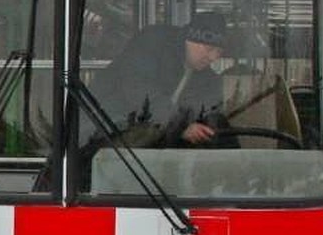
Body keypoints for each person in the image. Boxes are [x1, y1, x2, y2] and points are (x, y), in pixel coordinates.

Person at [91, 12, 229, 147]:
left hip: (152, 144)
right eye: (209, 48)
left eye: (218, 52)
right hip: (104, 130)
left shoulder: (207, 77)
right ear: (190, 40)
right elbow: (139, 91)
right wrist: (180, 126)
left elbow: (210, 112)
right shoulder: (152, 43)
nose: (213, 57)